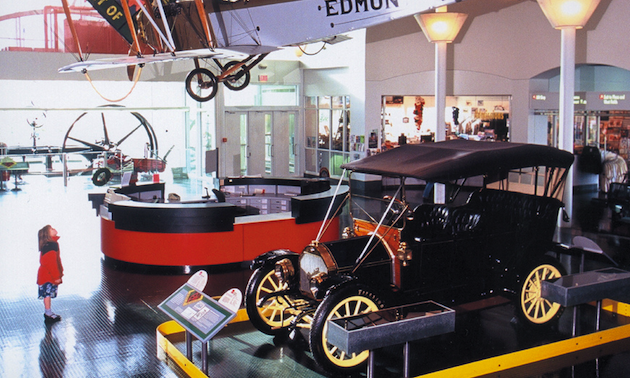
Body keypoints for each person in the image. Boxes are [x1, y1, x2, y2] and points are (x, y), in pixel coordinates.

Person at [37, 225, 64, 322]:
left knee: (47, 294)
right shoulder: (51, 246)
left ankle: (48, 312)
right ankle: (48, 314)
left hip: (47, 275)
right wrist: (57, 276)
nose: (54, 229)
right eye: (51, 229)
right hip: (47, 276)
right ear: (48, 234)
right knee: (47, 294)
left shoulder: (51, 244)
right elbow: (52, 263)